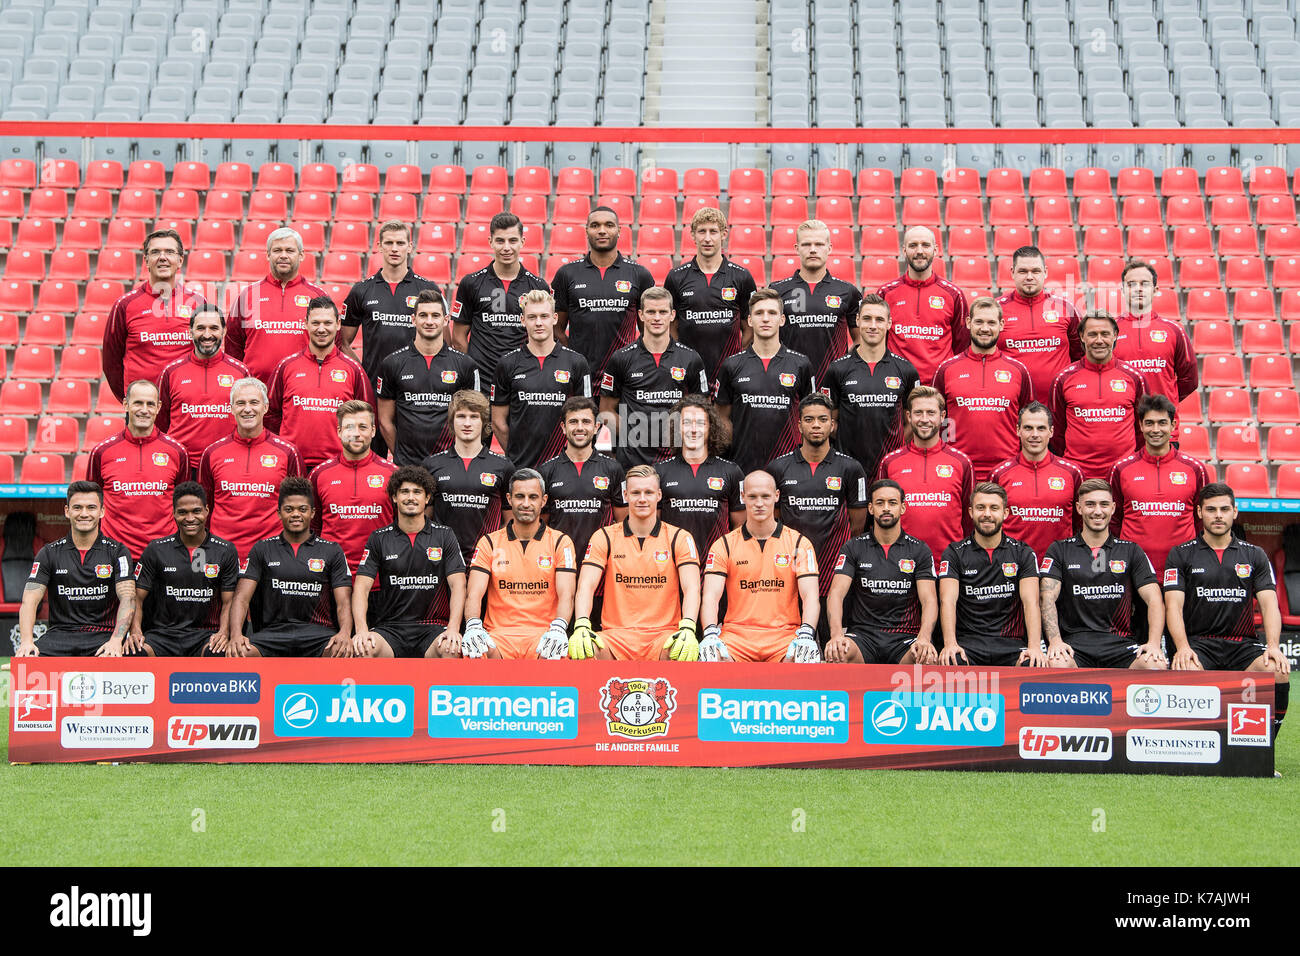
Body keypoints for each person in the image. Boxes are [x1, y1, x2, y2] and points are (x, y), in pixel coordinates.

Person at [1163, 483, 1288, 739]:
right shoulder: (1180, 554)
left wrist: (1273, 645)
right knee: (1185, 671)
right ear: (1199, 513)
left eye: (1224, 509)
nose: (1218, 515)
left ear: (1235, 512)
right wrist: (1183, 648)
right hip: (1200, 645)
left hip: (1243, 646)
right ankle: (1197, 746)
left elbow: (1269, 604)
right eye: (1211, 509)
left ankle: (1265, 747)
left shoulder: (1255, 555)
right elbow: (1172, 606)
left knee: (1277, 671)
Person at [567, 466, 701, 661]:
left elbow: (692, 588)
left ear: (659, 495)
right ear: (625, 495)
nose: (642, 499)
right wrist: (581, 624)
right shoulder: (604, 536)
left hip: (663, 637)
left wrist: (688, 627)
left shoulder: (679, 537)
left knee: (684, 653)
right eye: (636, 493)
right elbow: (586, 586)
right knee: (582, 652)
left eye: (648, 492)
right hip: (615, 638)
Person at [767, 394, 868, 639]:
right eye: (809, 419)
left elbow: (857, 525)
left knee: (833, 645)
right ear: (799, 425)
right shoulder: (778, 468)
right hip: (791, 572)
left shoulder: (851, 468)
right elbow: (776, 519)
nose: (816, 425)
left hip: (835, 573)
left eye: (823, 419)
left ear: (832, 425)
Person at [1039, 479, 1166, 669]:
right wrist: (1056, 642)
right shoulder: (1059, 550)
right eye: (1090, 504)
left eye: (1104, 504)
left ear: (1113, 508)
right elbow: (1047, 597)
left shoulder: (1131, 551)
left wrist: (1154, 644)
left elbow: (1154, 599)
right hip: (1075, 644)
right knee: (1057, 663)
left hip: (1120, 643)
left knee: (1155, 665)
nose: (1097, 511)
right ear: (1079, 508)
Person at [698, 470, 821, 663]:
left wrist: (807, 633)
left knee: (807, 658)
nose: (759, 503)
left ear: (777, 496)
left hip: (784, 637)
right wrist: (710, 633)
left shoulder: (799, 543)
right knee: (710, 656)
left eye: (765, 496)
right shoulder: (724, 544)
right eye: (753, 496)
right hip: (737, 638)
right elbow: (711, 596)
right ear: (742, 497)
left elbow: (810, 596)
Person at [226, 477, 353, 657]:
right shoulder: (262, 549)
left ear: (313, 513)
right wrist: (236, 635)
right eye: (289, 509)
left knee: (342, 651)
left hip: (318, 635)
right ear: (279, 513)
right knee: (238, 653)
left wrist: (345, 634)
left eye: (302, 509)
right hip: (272, 635)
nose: (295, 514)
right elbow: (241, 598)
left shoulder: (332, 550)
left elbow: (343, 602)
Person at [462, 469, 578, 660]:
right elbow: (473, 593)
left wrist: (559, 628)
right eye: (519, 496)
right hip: (498, 637)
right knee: (474, 652)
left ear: (544, 500)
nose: (526, 503)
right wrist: (473, 624)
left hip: (544, 636)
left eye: (533, 497)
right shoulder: (489, 542)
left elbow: (567, 594)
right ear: (509, 499)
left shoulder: (560, 541)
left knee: (559, 654)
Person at [352, 466, 466, 658]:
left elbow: (458, 585)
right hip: (391, 629)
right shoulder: (379, 538)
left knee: (451, 649)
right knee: (364, 649)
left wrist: (453, 628)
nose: (410, 497)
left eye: (417, 492)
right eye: (404, 492)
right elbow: (361, 588)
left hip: (433, 627)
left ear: (427, 498)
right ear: (394, 497)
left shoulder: (445, 535)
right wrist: (362, 630)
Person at [824, 478, 939, 664]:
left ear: (902, 508)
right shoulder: (853, 547)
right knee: (837, 653)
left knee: (927, 659)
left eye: (892, 503)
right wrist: (836, 635)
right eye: (880, 503)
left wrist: (924, 638)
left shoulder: (919, 550)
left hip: (904, 638)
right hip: (863, 637)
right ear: (870, 508)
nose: (886, 508)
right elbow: (836, 593)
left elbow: (929, 600)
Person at [16, 481, 136, 657]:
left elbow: (128, 598)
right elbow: (29, 600)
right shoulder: (48, 553)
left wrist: (117, 639)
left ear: (102, 511)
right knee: (29, 658)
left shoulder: (118, 551)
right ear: (67, 511)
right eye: (77, 507)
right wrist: (26, 641)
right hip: (59, 638)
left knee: (136, 654)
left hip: (103, 636)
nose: (84, 514)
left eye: (91, 507)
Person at [600, 286, 709, 467]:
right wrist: (637, 432)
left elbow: (702, 411)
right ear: (641, 315)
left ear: (672, 315)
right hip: (632, 460)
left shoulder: (691, 359)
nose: (657, 318)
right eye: (651, 312)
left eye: (662, 312)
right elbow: (606, 411)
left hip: (676, 459)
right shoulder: (621, 358)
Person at [937, 483, 1044, 666]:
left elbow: (1031, 602)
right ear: (970, 512)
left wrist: (1034, 646)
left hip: (1011, 644)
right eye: (981, 507)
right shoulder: (954, 552)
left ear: (1005, 513)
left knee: (1033, 663)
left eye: (994, 508)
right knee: (951, 660)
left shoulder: (1023, 553)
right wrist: (950, 643)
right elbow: (948, 601)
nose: (987, 514)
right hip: (969, 644)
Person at [128, 482, 240, 657]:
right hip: (162, 635)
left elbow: (229, 602)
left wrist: (223, 633)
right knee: (135, 652)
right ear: (173, 513)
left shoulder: (225, 550)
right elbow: (137, 598)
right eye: (182, 512)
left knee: (218, 653)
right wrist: (135, 631)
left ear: (207, 511)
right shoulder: (156, 549)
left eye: (196, 511)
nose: (189, 518)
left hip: (205, 635)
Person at [198, 377, 303, 562]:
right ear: (231, 408)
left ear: (266, 407)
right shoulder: (212, 453)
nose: (247, 409)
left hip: (272, 556)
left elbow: (299, 509)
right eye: (240, 403)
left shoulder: (288, 452)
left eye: (254, 402)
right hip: (222, 555)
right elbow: (205, 507)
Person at [265, 296, 376, 470]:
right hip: (292, 465)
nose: (321, 329)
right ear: (306, 324)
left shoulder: (353, 370)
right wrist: (286, 449)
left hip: (338, 467)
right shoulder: (286, 367)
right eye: (316, 323)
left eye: (327, 323)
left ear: (338, 324)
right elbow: (269, 413)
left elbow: (367, 417)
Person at [713, 288, 814, 474]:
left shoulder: (801, 364)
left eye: (772, 313)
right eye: (759, 313)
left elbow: (810, 414)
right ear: (750, 320)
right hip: (742, 465)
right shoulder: (731, 365)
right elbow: (721, 417)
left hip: (789, 468)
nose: (765, 319)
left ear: (782, 320)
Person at [932, 296, 1034, 481]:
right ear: (969, 323)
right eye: (979, 322)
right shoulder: (947, 369)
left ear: (1001, 325)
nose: (985, 328)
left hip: (1007, 470)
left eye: (991, 322)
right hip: (956, 470)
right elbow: (936, 419)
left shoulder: (1018, 371)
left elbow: (1027, 420)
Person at [87, 379, 189, 560]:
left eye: (150, 404)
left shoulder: (177, 452)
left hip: (163, 555)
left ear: (158, 407)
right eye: (138, 403)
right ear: (126, 404)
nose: (144, 410)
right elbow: (91, 503)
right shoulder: (102, 452)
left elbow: (184, 504)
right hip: (114, 555)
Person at [1109, 393, 1209, 577]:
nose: (1156, 429)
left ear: (1173, 426)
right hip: (1134, 571)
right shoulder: (1121, 469)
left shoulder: (1195, 469)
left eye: (1162, 423)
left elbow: (1201, 519)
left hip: (1182, 570)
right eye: (1149, 423)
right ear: (1140, 426)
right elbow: (1114, 520)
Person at [821, 293, 920, 480]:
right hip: (848, 468)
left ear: (889, 323)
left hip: (890, 470)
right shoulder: (837, 369)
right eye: (867, 318)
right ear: (857, 320)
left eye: (879, 319)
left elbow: (913, 421)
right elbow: (829, 422)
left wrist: (894, 452)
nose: (873, 325)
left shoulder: (906, 370)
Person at [490, 289, 592, 470]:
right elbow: (498, 421)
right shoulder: (507, 364)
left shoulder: (576, 362)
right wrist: (516, 456)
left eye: (544, 316)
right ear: (523, 321)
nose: (538, 323)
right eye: (532, 317)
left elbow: (586, 418)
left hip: (564, 468)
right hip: (522, 467)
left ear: (554, 318)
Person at [103, 228, 209, 401]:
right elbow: (111, 363)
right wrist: (130, 399)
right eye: (155, 252)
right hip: (143, 409)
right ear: (146, 260)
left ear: (180, 260)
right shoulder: (125, 305)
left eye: (169, 252)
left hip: (185, 405)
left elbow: (207, 356)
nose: (162, 257)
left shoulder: (198, 303)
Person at [376, 289, 479, 465]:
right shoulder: (392, 363)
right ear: (413, 319)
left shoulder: (465, 365)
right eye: (423, 315)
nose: (429, 321)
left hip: (450, 466)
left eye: (435, 315)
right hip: (407, 466)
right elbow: (385, 420)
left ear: (446, 320)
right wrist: (401, 458)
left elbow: (475, 419)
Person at [876, 385, 975, 564]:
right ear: (908, 416)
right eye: (918, 413)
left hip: (949, 566)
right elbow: (880, 515)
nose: (924, 419)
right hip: (901, 564)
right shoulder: (890, 463)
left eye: (931, 413)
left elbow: (969, 519)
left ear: (942, 416)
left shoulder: (961, 462)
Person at [341, 219, 444, 390]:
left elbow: (443, 340)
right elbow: (342, 342)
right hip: (374, 384)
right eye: (389, 243)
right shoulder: (362, 290)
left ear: (410, 246)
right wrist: (362, 372)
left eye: (400, 243)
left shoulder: (427, 288)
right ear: (380, 246)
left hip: (418, 386)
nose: (394, 248)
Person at [552, 205, 655, 374]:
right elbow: (556, 327)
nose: (602, 231)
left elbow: (649, 330)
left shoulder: (639, 274)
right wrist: (571, 356)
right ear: (586, 231)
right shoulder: (567, 274)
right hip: (580, 372)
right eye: (595, 226)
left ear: (619, 230)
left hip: (624, 372)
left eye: (609, 225)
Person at [451, 211, 551, 385]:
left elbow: (544, 337)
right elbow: (458, 339)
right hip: (480, 382)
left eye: (512, 241)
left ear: (522, 242)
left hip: (522, 380)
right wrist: (472, 373)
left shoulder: (538, 286)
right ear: (490, 242)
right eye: (500, 241)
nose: (506, 247)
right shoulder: (471, 283)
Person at [1049, 311, 1147, 480]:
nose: (1099, 340)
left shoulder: (1134, 377)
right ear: (1082, 336)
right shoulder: (1063, 378)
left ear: (1115, 335)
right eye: (1092, 334)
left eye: (1105, 334)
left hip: (1123, 473)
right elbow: (1056, 432)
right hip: (1078, 473)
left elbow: (1142, 429)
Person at [421, 389, 514, 566]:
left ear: (484, 422)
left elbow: (509, 521)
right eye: (461, 416)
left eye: (474, 417)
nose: (467, 423)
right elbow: (425, 519)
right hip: (443, 561)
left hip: (486, 562)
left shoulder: (503, 466)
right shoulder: (432, 465)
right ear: (451, 421)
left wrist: (495, 551)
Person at [224, 226, 328, 384]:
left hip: (302, 389)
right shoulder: (248, 295)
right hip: (256, 394)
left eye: (290, 250)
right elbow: (233, 345)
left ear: (301, 255)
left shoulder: (318, 297)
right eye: (277, 250)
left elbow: (332, 344)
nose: (283, 256)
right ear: (268, 255)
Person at [664, 206, 758, 380]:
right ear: (692, 235)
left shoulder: (742, 277)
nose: (707, 238)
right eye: (702, 231)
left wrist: (735, 357)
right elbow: (671, 326)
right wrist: (683, 356)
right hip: (688, 372)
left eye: (713, 231)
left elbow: (750, 327)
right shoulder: (676, 277)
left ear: (724, 234)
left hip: (729, 373)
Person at [155, 303, 250, 473]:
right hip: (182, 466)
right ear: (190, 331)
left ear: (224, 331)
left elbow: (250, 419)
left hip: (227, 464)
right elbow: (161, 422)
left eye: (214, 328)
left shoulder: (240, 372)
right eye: (200, 328)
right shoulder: (171, 372)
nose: (207, 335)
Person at [308, 400, 399, 571]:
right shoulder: (319, 475)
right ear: (339, 432)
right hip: (332, 576)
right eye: (349, 427)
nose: (356, 434)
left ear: (373, 431)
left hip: (379, 575)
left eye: (363, 427)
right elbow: (313, 526)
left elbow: (400, 525)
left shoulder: (393, 475)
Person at [988, 402, 1084, 561]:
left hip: (1059, 566)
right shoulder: (999, 474)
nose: (1035, 434)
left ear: (1051, 432)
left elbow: (1080, 522)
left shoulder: (1072, 473)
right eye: (1028, 428)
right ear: (1018, 430)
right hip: (1012, 565)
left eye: (1041, 428)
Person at [536, 396, 627, 561]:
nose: (579, 427)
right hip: (560, 563)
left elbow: (622, 522)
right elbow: (542, 526)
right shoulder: (546, 471)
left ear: (596, 427)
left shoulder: (613, 469)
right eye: (573, 422)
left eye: (586, 421)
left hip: (601, 563)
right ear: (563, 427)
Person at [771, 219, 862, 381]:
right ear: (797, 249)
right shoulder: (777, 290)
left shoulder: (848, 291)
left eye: (819, 244)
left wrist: (843, 364)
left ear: (829, 248)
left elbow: (860, 338)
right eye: (806, 244)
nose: (813, 250)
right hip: (789, 380)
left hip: (833, 383)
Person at [654, 395, 745, 556]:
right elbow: (654, 526)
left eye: (701, 423)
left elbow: (741, 525)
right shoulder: (659, 472)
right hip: (673, 564)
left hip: (717, 568)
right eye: (686, 423)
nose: (694, 429)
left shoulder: (731, 471)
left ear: (711, 428)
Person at [877, 224, 968, 383]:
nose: (919, 251)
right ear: (904, 250)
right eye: (913, 245)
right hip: (896, 385)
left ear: (936, 249)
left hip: (938, 388)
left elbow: (962, 347)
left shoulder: (954, 295)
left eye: (925, 245)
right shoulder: (886, 293)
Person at [995, 245, 1083, 400]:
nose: (1029, 277)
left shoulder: (1066, 308)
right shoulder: (996, 310)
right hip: (1012, 405)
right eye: (1023, 271)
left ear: (1045, 272)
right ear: (1012, 273)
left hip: (1058, 405)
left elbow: (1080, 355)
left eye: (1035, 271)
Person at [1114, 259, 1198, 404]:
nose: (1138, 289)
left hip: (1161, 424)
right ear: (1122, 290)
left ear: (1155, 289)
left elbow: (1189, 379)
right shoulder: (1110, 330)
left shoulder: (1174, 330)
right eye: (1131, 284)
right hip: (1124, 422)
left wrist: (1167, 401)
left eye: (1144, 284)